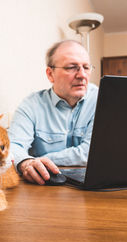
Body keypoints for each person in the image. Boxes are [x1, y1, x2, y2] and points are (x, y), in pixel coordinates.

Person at [8, 40, 98, 185]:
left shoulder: (102, 100)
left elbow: (93, 153)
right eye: (71, 67)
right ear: (50, 74)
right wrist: (26, 162)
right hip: (44, 190)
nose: (82, 75)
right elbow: (13, 147)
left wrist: (40, 161)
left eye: (86, 67)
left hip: (93, 190)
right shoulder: (31, 105)